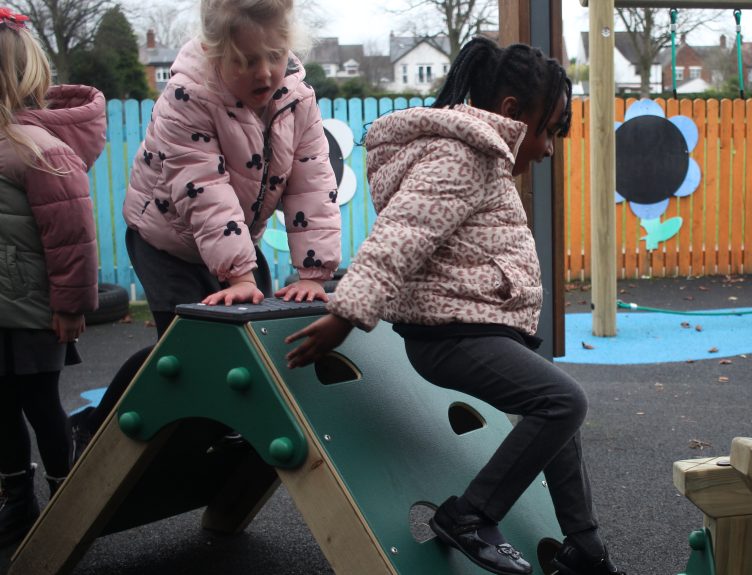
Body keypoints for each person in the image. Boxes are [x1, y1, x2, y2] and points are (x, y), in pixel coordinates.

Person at [285, 37, 623, 575]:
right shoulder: (461, 153)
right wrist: (346, 315)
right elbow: (402, 233)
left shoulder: (480, 153)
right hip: (452, 336)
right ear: (512, 112)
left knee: (556, 409)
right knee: (562, 402)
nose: (550, 147)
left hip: (472, 330)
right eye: (550, 129)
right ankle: (470, 516)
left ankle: (584, 545)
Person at [71, 0, 340, 446]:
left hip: (234, 237)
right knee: (180, 351)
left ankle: (222, 429)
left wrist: (313, 272)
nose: (266, 72)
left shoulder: (296, 97)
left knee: (254, 337)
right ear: (217, 54)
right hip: (166, 241)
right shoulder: (188, 95)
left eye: (275, 56)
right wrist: (238, 273)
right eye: (247, 60)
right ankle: (97, 423)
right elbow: (204, 190)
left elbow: (311, 180)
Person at [0, 8, 104, 547]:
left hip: (35, 312)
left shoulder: (40, 152)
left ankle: (67, 498)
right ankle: (16, 499)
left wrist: (69, 305)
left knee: (40, 404)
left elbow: (73, 241)